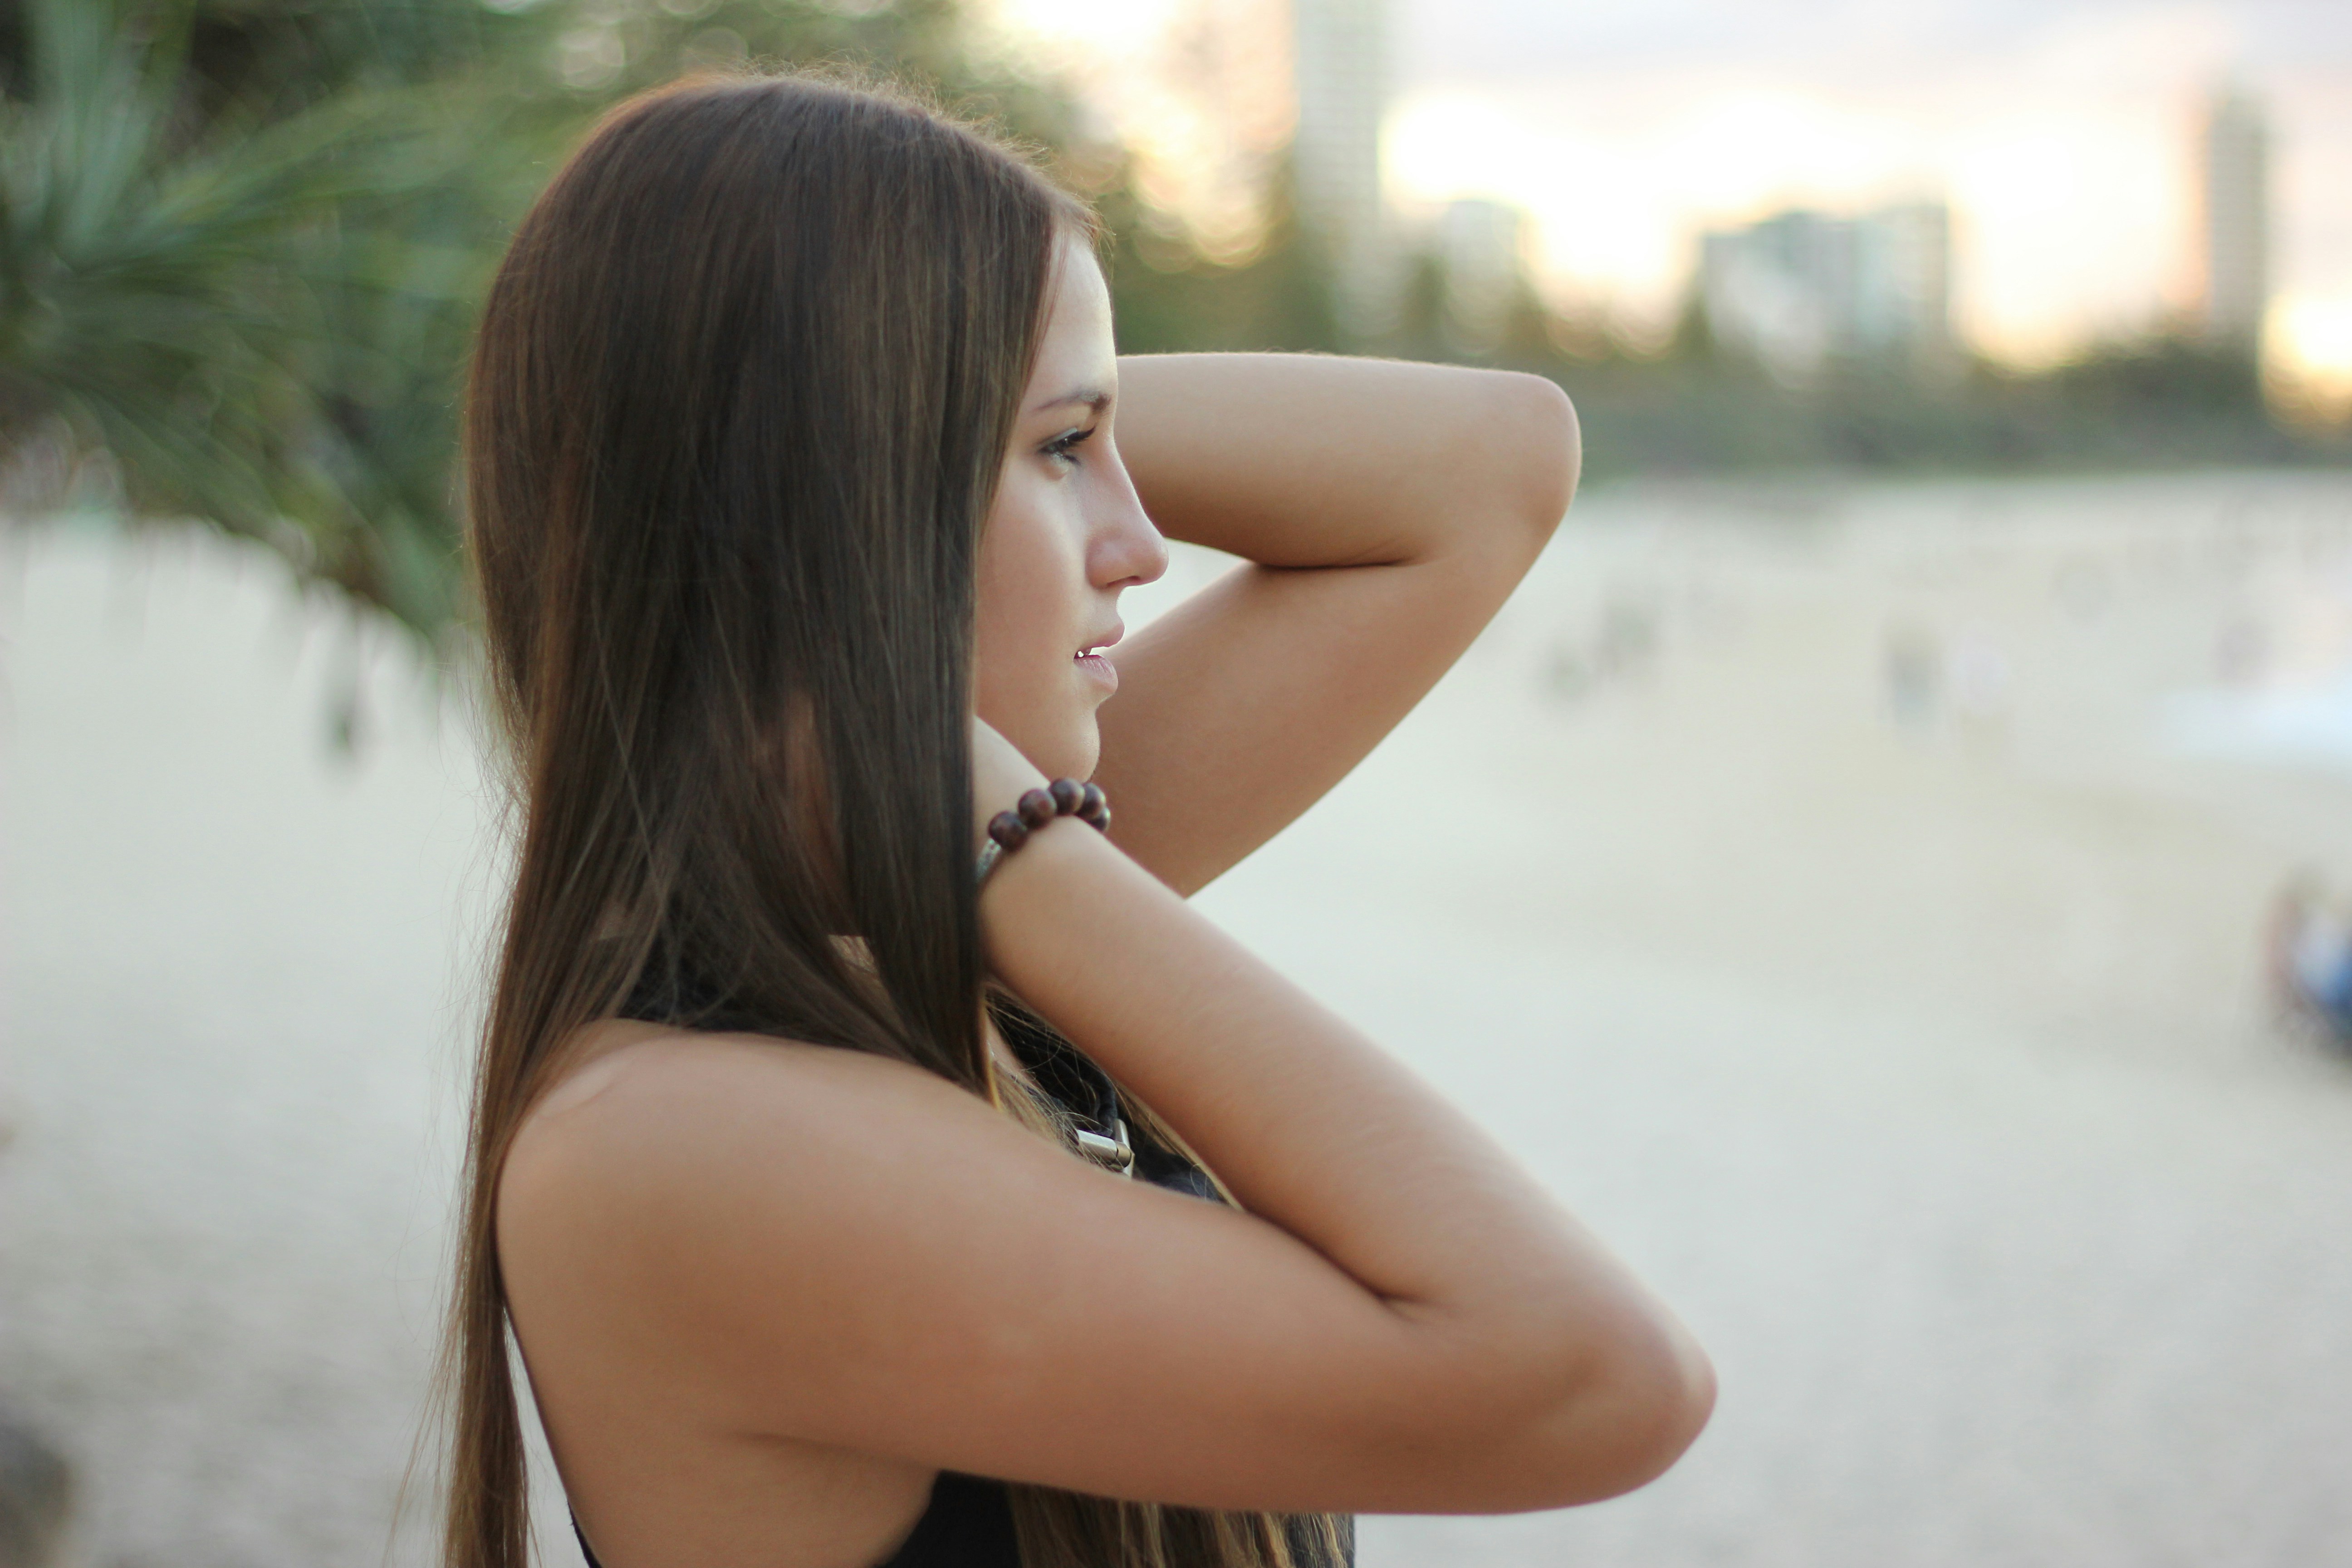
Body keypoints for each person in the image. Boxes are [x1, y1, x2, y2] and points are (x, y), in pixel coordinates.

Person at [446, 69, 1714, 1568]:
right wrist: (1012, 819)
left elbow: (1493, 465)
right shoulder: (667, 1142)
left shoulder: (894, 910)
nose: (1142, 539)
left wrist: (1001, 388)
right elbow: (1595, 1379)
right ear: (853, 500)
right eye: (1064, 454)